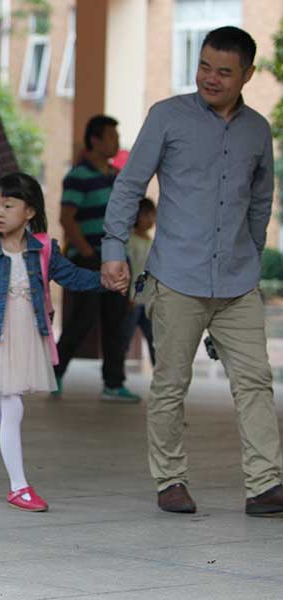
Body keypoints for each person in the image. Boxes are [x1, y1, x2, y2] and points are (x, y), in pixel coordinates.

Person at [101, 26, 283, 515]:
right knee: (170, 384)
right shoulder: (167, 117)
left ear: (246, 74)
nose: (211, 78)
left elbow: (261, 199)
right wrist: (113, 249)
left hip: (238, 282)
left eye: (224, 71)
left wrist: (249, 246)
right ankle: (170, 480)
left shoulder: (256, 130)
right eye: (204, 66)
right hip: (176, 277)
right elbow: (129, 185)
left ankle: (266, 485)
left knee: (255, 383)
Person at [0, 173, 102, 511]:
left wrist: (106, 279)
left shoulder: (42, 249)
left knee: (7, 410)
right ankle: (18, 487)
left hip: (26, 337)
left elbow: (72, 276)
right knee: (12, 405)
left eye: (8, 205)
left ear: (29, 211)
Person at [54, 115, 140, 403]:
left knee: (116, 320)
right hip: (89, 259)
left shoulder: (116, 177)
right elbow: (67, 218)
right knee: (83, 318)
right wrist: (88, 252)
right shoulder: (78, 176)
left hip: (117, 258)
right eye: (111, 137)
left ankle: (114, 384)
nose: (116, 142)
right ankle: (54, 373)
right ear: (95, 140)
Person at [120, 198, 156, 366]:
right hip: (133, 300)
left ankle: (161, 378)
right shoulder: (130, 241)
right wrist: (130, 296)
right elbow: (131, 271)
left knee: (155, 341)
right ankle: (115, 376)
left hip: (149, 301)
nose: (150, 219)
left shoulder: (153, 242)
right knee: (124, 339)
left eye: (152, 215)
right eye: (146, 215)